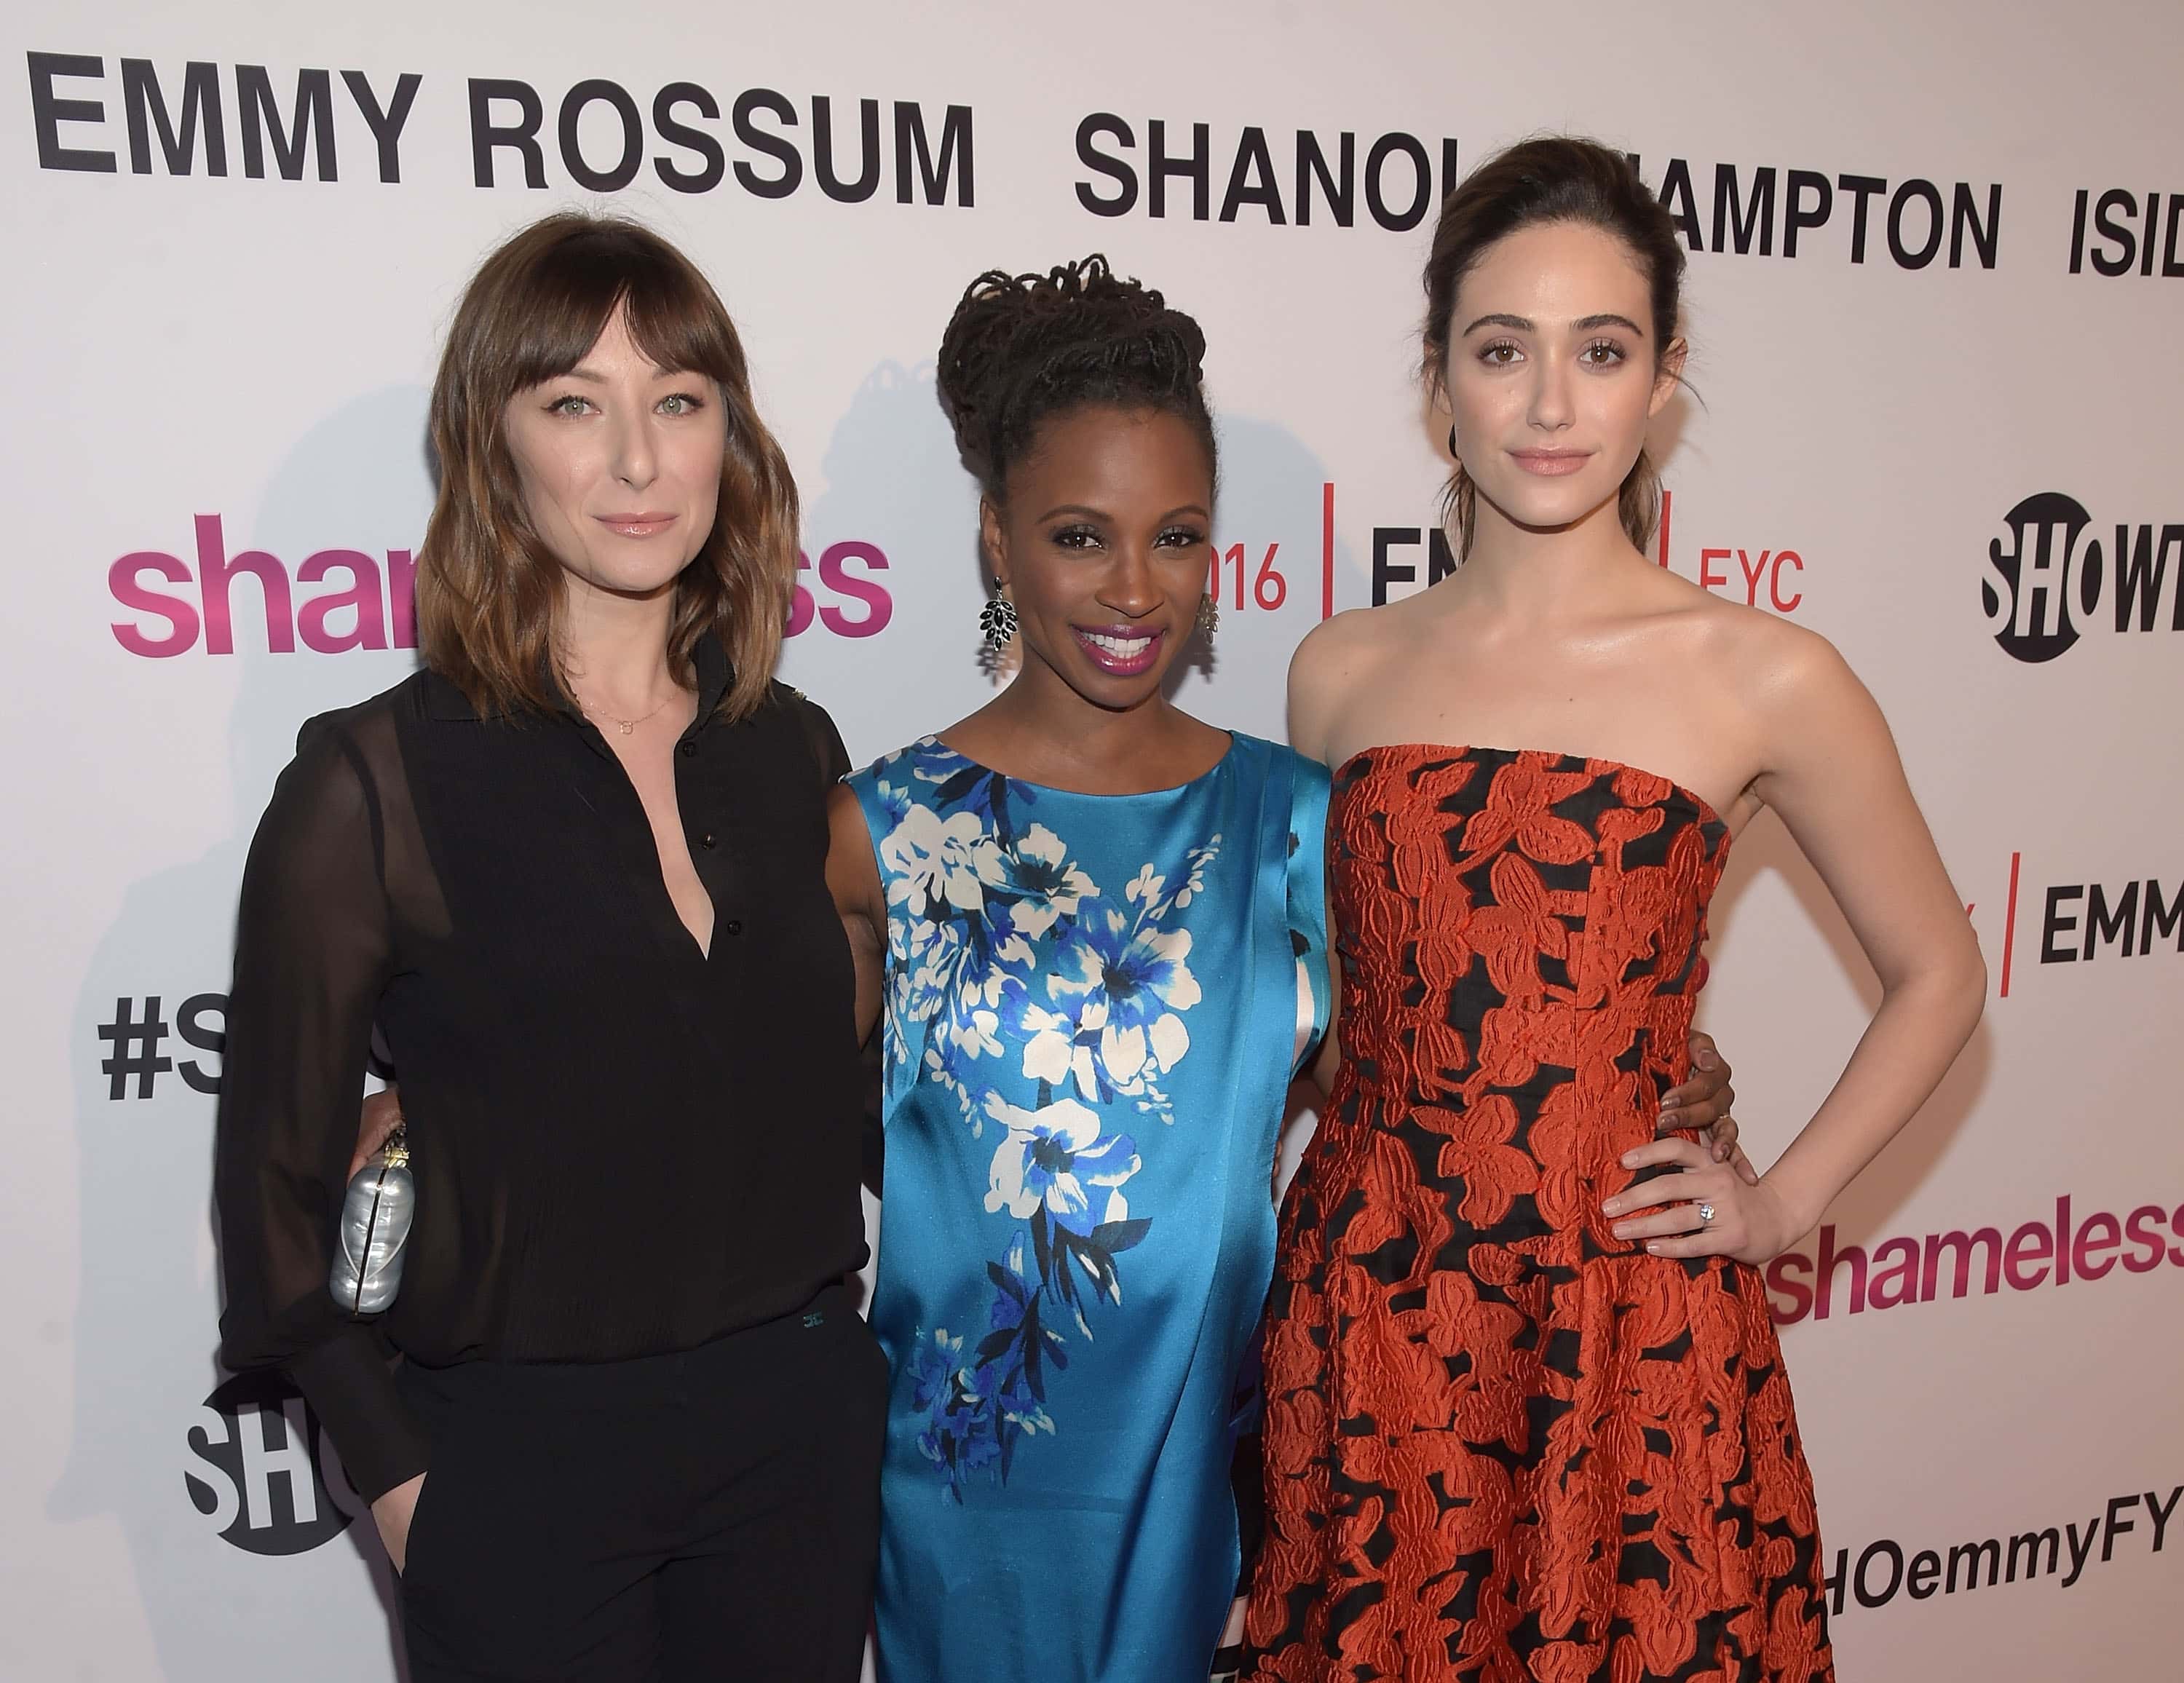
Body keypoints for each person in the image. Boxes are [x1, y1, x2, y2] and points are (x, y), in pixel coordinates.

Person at [822, 258, 1744, 1683]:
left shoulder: (1298, 817)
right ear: (999, 544)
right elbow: (770, 1150)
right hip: (967, 1480)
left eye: (1176, 536)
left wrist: (1641, 1064)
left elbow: (1426, 1062)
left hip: (1228, 1462)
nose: (1136, 588)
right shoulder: (878, 831)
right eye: (1080, 534)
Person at [1243, 137, 1987, 1682]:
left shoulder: (1763, 673)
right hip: (1378, 1309)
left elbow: (1940, 972)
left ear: (1666, 382)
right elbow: (1347, 1006)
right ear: (1439, 380)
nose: (1551, 405)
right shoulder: (1340, 671)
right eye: (1501, 351)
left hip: (1626, 1325)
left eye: (1603, 351)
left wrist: (1778, 1203)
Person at [213, 213, 884, 1683]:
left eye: (680, 403)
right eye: (577, 404)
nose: (639, 461)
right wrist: (401, 1481)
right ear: (496, 446)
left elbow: (848, 1082)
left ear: (731, 439)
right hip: (518, 1467)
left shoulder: (794, 750)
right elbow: (272, 1188)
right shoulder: (373, 779)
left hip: (798, 1439)